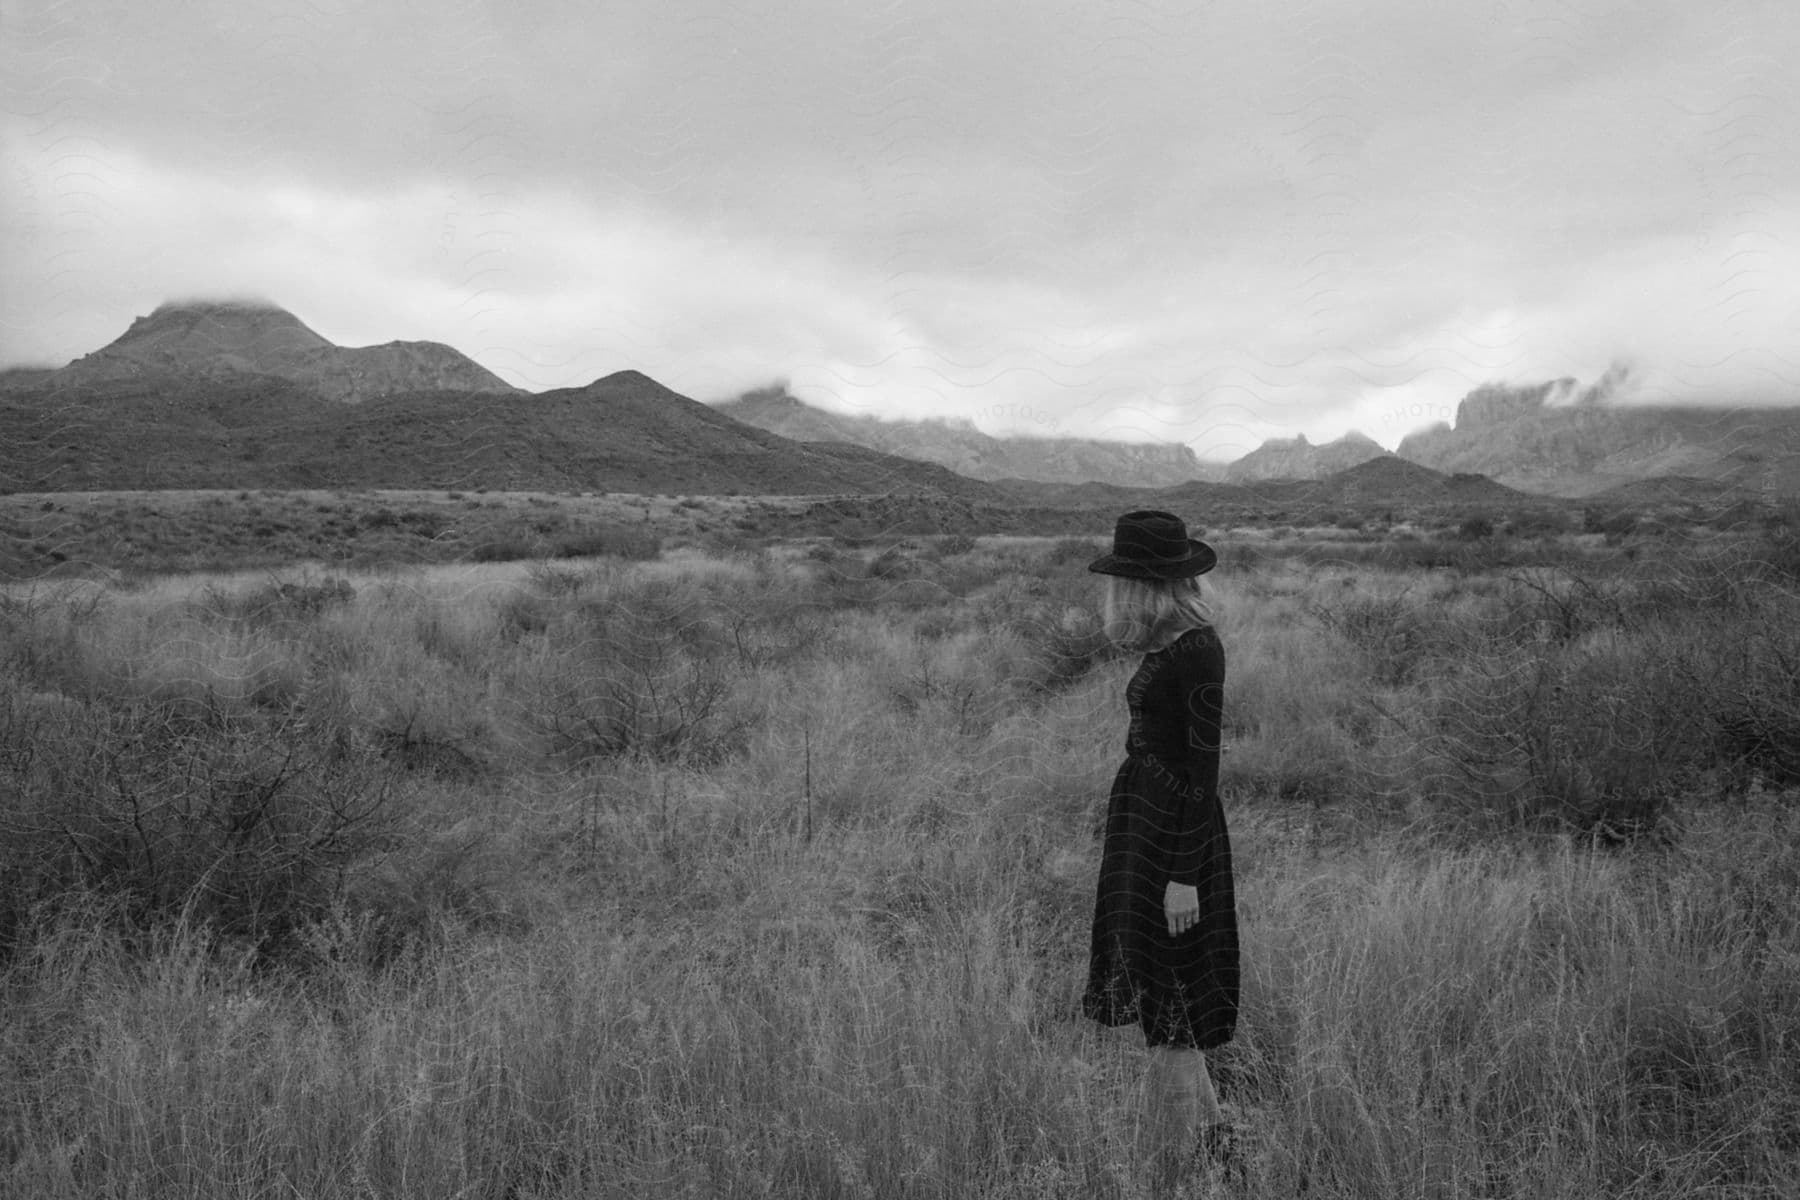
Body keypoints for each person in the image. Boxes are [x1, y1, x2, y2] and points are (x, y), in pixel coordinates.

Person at [1082, 509, 1241, 1183]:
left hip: (1176, 834)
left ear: (1145, 585)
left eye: (1124, 581)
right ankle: (1214, 1148)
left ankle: (1195, 1160)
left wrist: (1184, 876)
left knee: (1171, 1000)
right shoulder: (1168, 643)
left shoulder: (1197, 649)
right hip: (1144, 823)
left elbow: (1203, 773)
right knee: (1159, 993)